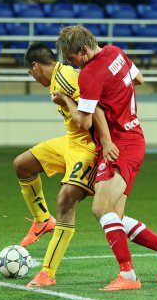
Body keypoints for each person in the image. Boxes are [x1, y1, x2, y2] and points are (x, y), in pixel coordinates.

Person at [55, 25, 157, 290]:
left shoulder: (90, 74)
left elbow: (83, 122)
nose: (70, 63)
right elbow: (139, 79)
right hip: (134, 137)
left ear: (83, 50)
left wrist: (65, 101)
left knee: (100, 209)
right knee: (115, 215)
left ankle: (128, 276)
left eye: (71, 57)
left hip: (119, 146)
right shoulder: (116, 53)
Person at [16, 42, 99, 287]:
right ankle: (42, 220)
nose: (33, 78)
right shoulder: (57, 79)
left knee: (65, 201)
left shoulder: (67, 79)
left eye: (31, 74)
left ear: (35, 66)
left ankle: (47, 273)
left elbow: (92, 115)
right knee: (23, 165)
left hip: (88, 146)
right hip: (70, 142)